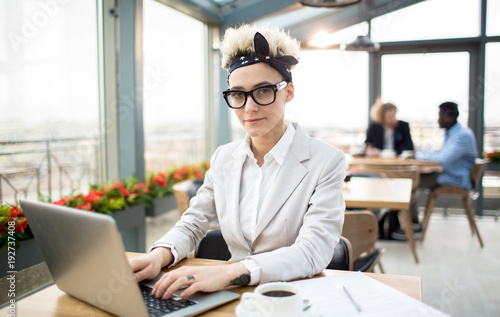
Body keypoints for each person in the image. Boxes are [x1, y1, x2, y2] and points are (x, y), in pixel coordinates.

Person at [129, 25, 346, 300]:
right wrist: (159, 256)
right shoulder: (223, 157)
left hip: (294, 299)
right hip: (231, 299)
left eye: (264, 91)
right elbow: (194, 222)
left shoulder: (327, 161)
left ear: (288, 92)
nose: (249, 107)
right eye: (238, 94)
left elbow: (313, 250)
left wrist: (230, 273)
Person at [363, 100, 416, 240]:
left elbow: (409, 147)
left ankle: (393, 226)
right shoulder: (375, 127)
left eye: (394, 115)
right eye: (390, 116)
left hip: (396, 167)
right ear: (382, 117)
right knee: (377, 188)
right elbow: (367, 146)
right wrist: (371, 151)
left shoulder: (403, 126)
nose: (393, 118)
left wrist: (387, 152)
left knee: (396, 189)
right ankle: (378, 227)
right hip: (378, 167)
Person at [415, 101, 477, 191]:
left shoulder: (463, 136)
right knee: (412, 177)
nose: (438, 120)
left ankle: (403, 205)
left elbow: (442, 159)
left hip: (455, 179)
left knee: (410, 180)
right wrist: (418, 153)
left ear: (448, 117)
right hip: (447, 174)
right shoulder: (452, 134)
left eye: (439, 115)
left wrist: (417, 156)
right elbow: (440, 153)